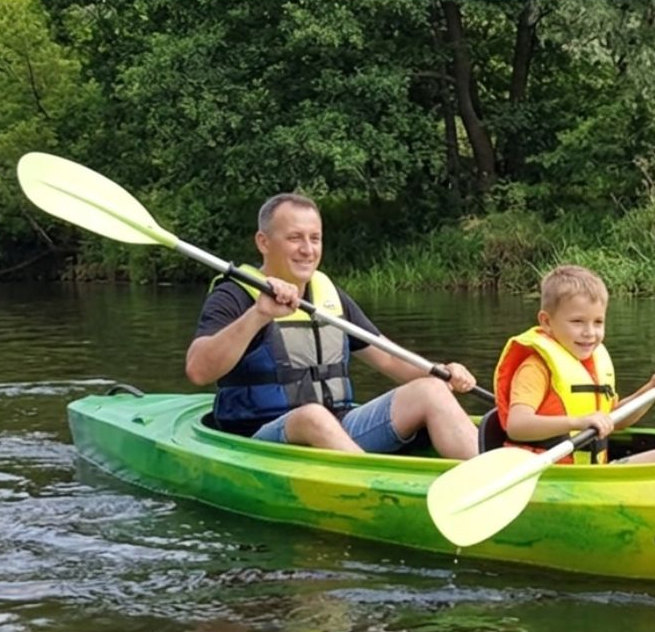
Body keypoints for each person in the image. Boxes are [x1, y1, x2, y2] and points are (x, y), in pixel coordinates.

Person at [185, 192, 479, 458]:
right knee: (312, 416)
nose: (307, 249)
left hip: (338, 428)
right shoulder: (233, 295)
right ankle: (373, 485)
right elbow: (198, 371)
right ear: (264, 242)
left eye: (315, 238)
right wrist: (258, 314)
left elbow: (389, 359)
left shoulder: (328, 295)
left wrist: (443, 372)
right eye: (295, 238)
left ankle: (491, 476)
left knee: (431, 390)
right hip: (258, 441)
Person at [494, 264, 655, 464]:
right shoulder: (535, 369)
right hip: (546, 472)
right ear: (547, 322)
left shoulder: (593, 365)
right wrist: (578, 422)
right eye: (577, 322)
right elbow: (517, 426)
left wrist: (650, 392)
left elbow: (615, 420)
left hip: (592, 470)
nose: (590, 332)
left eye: (598, 322)